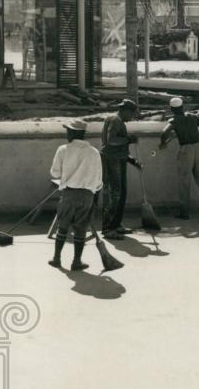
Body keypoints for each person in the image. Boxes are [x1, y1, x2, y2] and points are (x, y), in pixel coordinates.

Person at [49, 119, 103, 271]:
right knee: (80, 230)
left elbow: (55, 173)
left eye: (68, 131)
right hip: (87, 196)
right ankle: (76, 261)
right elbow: (99, 181)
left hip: (68, 194)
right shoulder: (94, 152)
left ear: (73, 133)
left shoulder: (63, 149)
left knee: (63, 227)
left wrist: (64, 180)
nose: (67, 133)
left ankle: (56, 259)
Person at [158, 96, 199, 221]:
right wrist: (198, 119)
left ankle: (184, 212)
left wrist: (163, 143)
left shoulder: (174, 120)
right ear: (182, 106)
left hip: (185, 150)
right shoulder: (192, 116)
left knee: (185, 181)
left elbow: (164, 133)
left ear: (172, 109)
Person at [100, 98, 140, 239]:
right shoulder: (115, 120)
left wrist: (132, 160)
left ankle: (116, 225)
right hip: (111, 161)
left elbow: (120, 147)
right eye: (132, 113)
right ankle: (107, 229)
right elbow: (111, 141)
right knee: (114, 194)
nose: (132, 117)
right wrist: (129, 139)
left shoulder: (119, 121)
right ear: (124, 110)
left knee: (121, 193)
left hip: (118, 159)